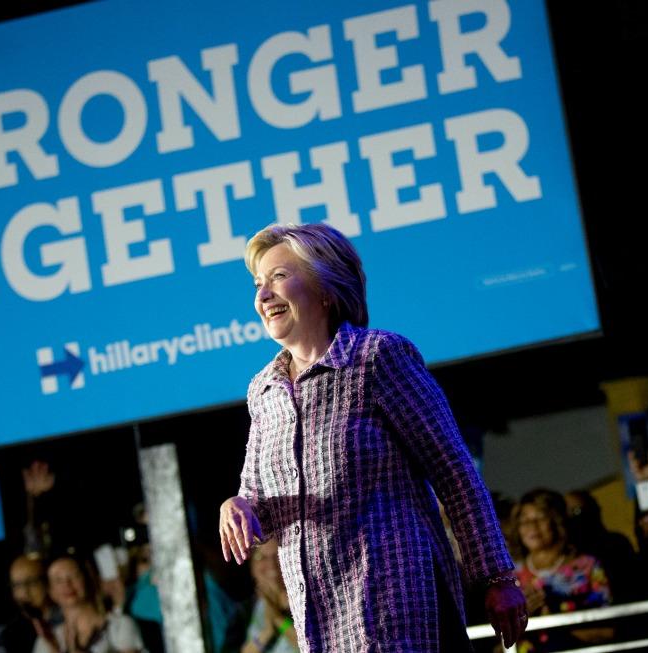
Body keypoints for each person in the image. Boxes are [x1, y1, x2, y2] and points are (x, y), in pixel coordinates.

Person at [218, 223, 525, 652]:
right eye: (258, 284)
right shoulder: (264, 390)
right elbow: (260, 504)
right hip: (322, 623)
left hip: (398, 608)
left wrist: (496, 577)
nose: (263, 295)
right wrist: (238, 507)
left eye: (279, 277)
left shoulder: (376, 358)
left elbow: (454, 473)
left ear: (326, 289)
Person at [512, 489, 611, 651]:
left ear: (557, 521)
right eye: (524, 520)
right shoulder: (510, 576)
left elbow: (607, 629)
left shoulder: (587, 567)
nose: (532, 526)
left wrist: (556, 621)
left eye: (541, 518)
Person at [33, 554, 144, 653]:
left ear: (87, 580)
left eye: (74, 576)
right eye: (58, 580)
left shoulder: (119, 625)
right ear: (51, 591)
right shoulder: (49, 641)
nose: (67, 584)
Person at [242, 539, 299, 653]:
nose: (271, 564)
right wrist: (267, 632)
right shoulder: (247, 609)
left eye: (277, 555)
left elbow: (311, 645)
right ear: (252, 565)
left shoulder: (303, 598)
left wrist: (280, 621)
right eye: (261, 557)